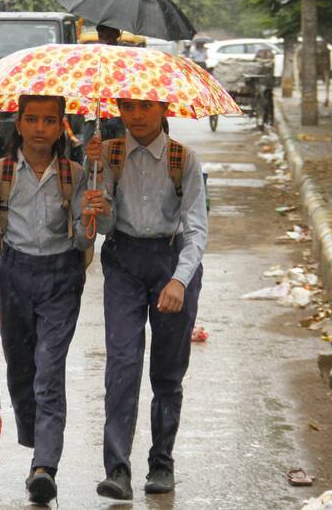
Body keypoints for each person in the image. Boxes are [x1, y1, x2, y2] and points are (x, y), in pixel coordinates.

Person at [0, 94, 109, 505]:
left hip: (60, 278)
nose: (39, 128)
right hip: (13, 276)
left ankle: (44, 466)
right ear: (18, 123)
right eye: (31, 119)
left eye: (49, 121)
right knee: (22, 371)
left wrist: (91, 212)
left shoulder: (77, 174)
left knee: (49, 371)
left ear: (60, 126)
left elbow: (86, 237)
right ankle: (37, 440)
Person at [85, 98, 207, 500]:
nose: (135, 116)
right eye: (127, 107)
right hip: (123, 261)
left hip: (171, 261)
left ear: (162, 107)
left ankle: (161, 463)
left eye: (144, 108)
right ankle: (117, 468)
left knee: (167, 371)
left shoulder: (182, 159)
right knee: (122, 363)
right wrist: (96, 190)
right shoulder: (109, 153)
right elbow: (103, 226)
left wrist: (179, 280)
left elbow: (196, 230)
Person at [80, 24, 127, 146]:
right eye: (102, 37)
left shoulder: (125, 59)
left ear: (117, 37)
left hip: (117, 117)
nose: (105, 41)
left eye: (109, 37)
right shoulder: (90, 58)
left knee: (118, 156)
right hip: (94, 116)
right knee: (91, 155)